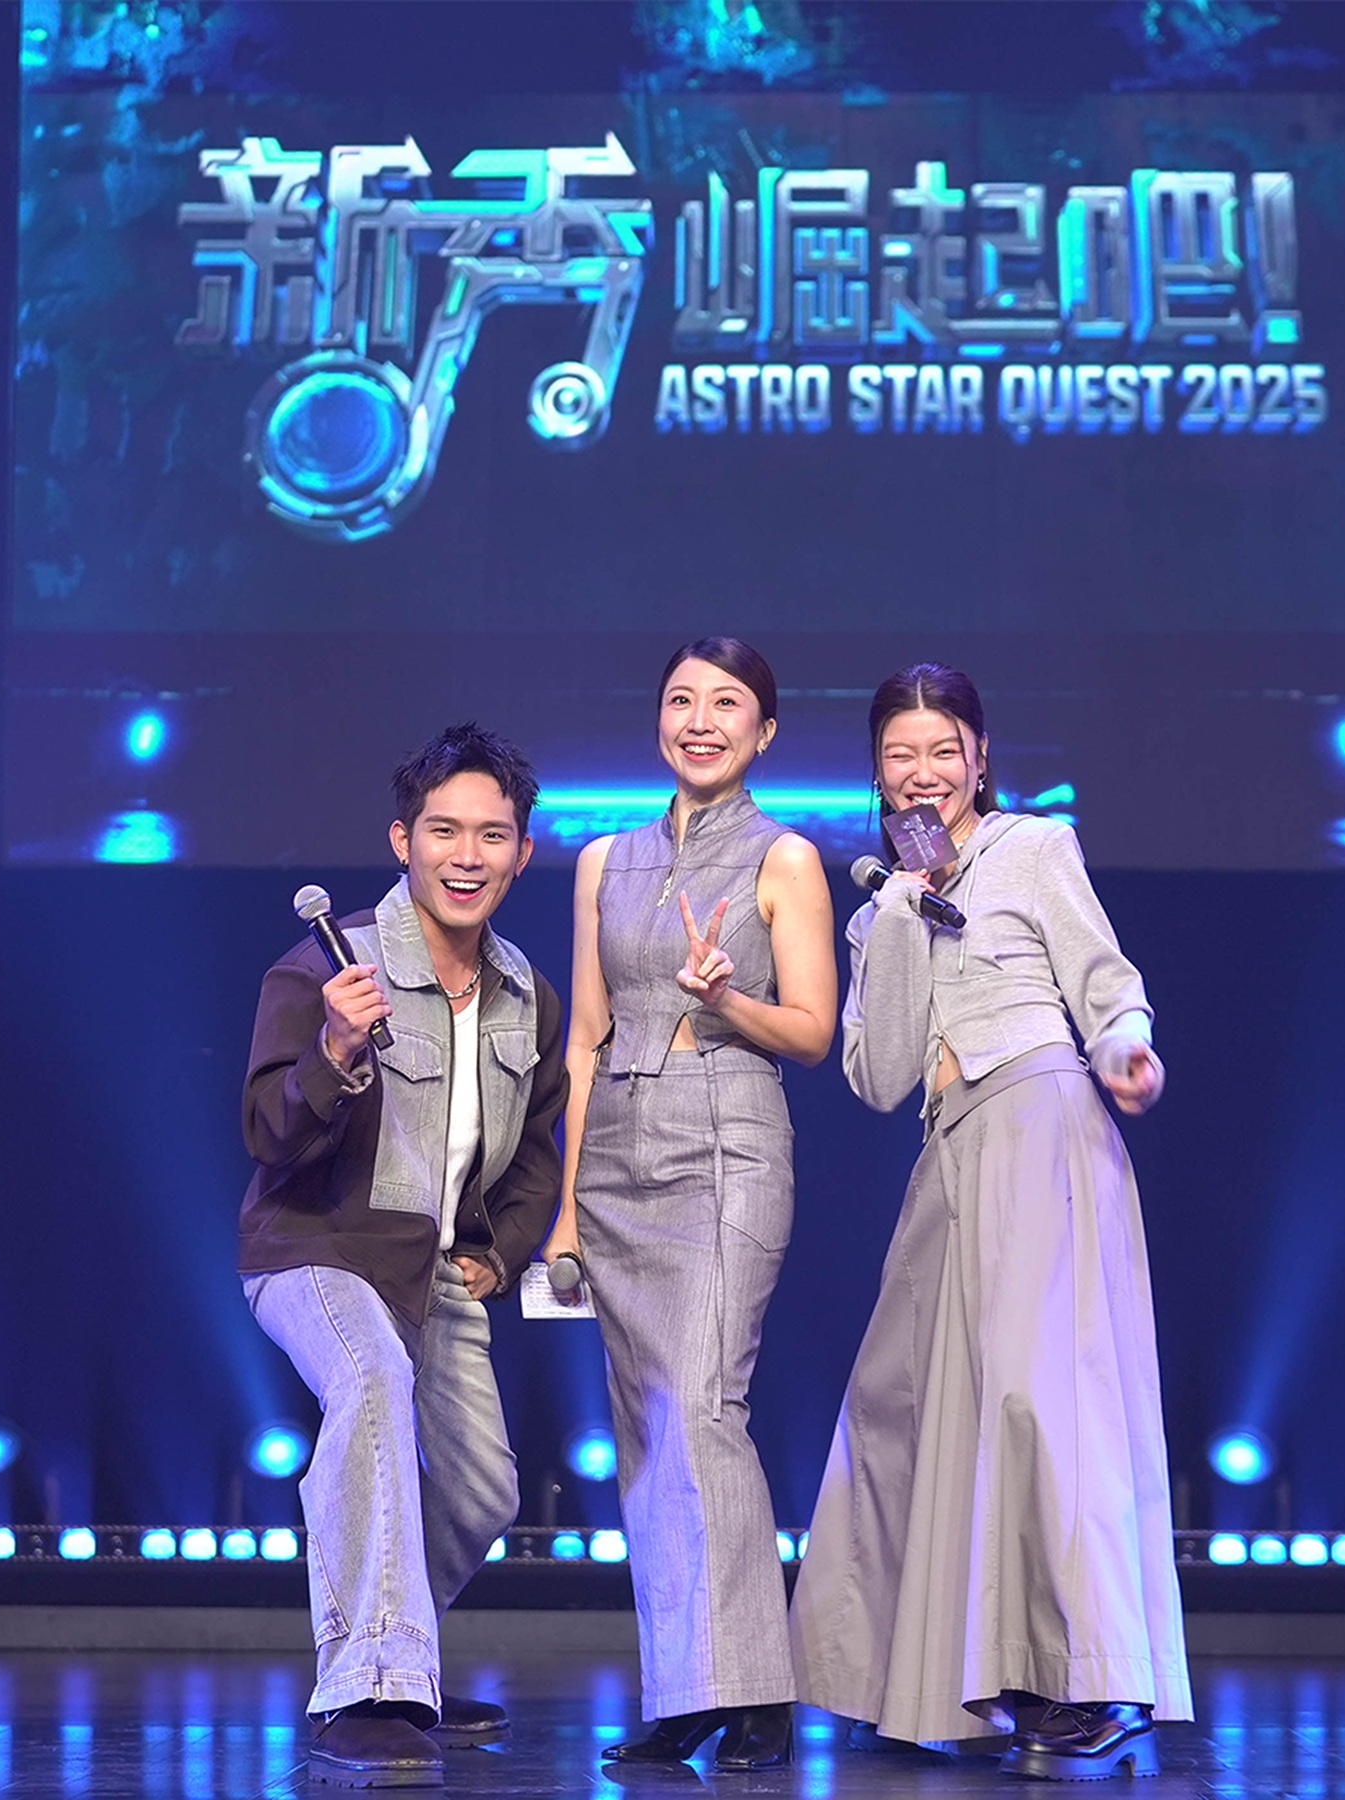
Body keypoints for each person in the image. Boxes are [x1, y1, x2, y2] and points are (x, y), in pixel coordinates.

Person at [789, 663, 1190, 1781]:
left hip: (1040, 1122)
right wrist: (901, 918)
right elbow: (877, 1076)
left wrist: (1126, 1048)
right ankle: (904, 1680)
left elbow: (1103, 980)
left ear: (978, 759)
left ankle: (1095, 1682)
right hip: (950, 1151)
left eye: (943, 751)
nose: (923, 773)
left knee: (1040, 1401)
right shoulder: (880, 908)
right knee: (899, 1401)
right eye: (900, 755)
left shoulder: (1033, 848)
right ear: (878, 773)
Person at [239, 723, 568, 1789]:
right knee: (371, 1381)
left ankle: (399, 1656)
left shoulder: (526, 993)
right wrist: (334, 1051)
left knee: (483, 1493)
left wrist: (501, 1254)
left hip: (435, 1269)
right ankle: (370, 1686)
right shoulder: (326, 964)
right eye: (443, 831)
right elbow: (268, 1138)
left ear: (522, 852)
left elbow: (538, 1150)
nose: (467, 856)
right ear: (402, 840)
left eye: (492, 835)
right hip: (318, 1248)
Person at [539, 638, 838, 1771]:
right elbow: (584, 1038)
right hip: (615, 1152)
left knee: (704, 1408)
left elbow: (812, 1031)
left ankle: (751, 1692)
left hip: (725, 1142)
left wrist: (727, 1000)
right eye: (680, 700)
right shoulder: (601, 862)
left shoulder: (784, 858)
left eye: (726, 704)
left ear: (765, 732)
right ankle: (690, 1687)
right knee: (649, 1429)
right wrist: (567, 1212)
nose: (699, 721)